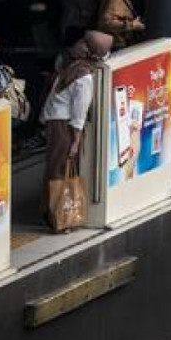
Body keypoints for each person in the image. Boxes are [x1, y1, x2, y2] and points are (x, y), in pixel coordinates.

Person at [40, 31, 113, 217]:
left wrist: (74, 139)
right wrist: (75, 141)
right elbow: (79, 112)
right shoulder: (81, 73)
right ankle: (60, 217)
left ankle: (52, 214)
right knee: (61, 169)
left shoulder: (74, 69)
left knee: (56, 168)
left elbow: (77, 110)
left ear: (90, 52)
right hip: (62, 125)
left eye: (85, 44)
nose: (79, 44)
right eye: (82, 41)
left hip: (59, 124)